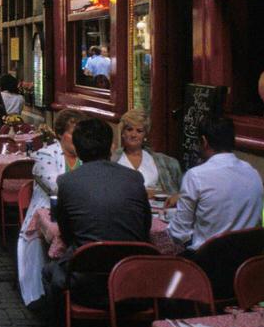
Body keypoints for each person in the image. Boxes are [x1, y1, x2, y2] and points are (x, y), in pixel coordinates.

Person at [44, 118, 152, 306]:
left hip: (86, 280)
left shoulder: (68, 182)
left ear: (77, 150)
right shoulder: (134, 178)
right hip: (130, 274)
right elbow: (145, 225)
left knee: (49, 271)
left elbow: (67, 231)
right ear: (111, 146)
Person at [16, 109, 86, 307]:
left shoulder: (87, 156)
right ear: (59, 134)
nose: (77, 139)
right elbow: (58, 187)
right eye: (73, 133)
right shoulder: (45, 155)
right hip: (47, 215)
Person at [166, 115, 264, 253]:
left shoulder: (196, 176)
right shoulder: (253, 173)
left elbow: (178, 233)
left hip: (208, 264)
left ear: (204, 141)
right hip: (247, 263)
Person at [114, 109, 181, 195]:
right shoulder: (113, 160)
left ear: (145, 134)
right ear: (123, 132)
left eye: (139, 131)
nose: (133, 135)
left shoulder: (162, 161)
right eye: (129, 129)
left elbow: (176, 193)